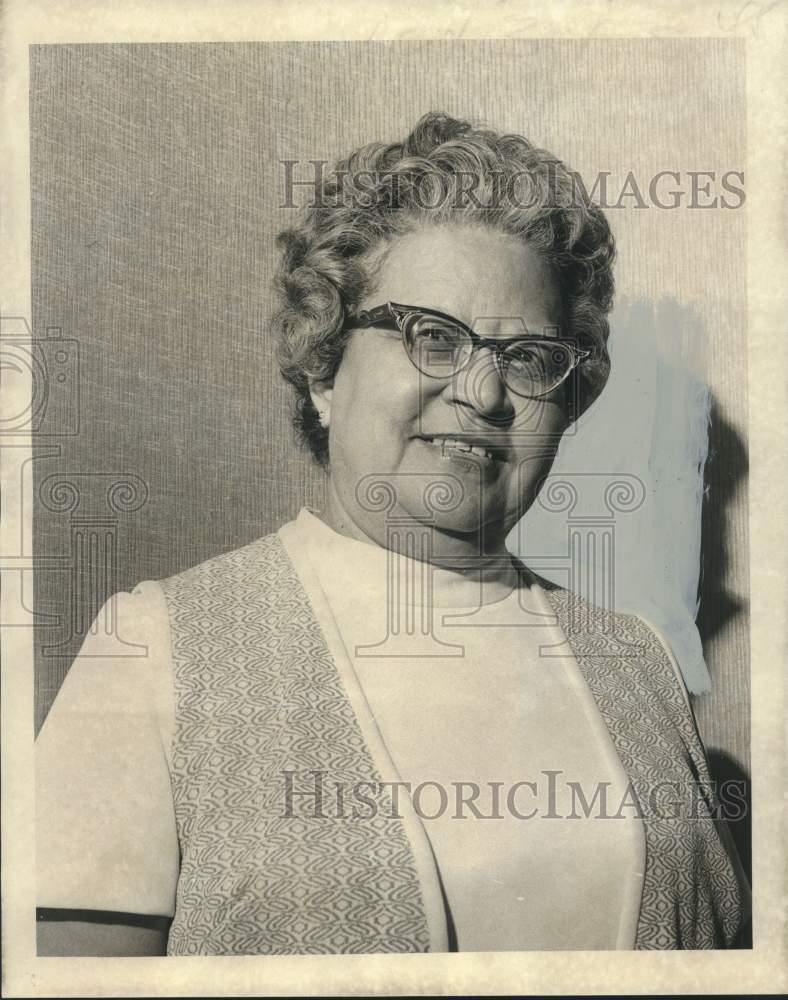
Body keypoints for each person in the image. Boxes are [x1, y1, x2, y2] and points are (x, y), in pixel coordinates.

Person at [36, 111, 750, 956]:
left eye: (526, 358)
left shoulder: (640, 664)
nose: (483, 394)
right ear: (323, 368)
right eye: (434, 337)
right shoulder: (154, 647)